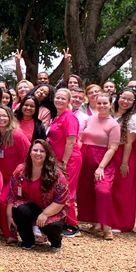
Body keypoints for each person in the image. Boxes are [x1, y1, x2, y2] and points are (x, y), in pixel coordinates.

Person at [6, 140, 68, 249]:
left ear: (47, 154)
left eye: (42, 151)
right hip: (32, 206)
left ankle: (56, 241)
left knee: (52, 226)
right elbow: (12, 194)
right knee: (18, 209)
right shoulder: (20, 170)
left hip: (53, 209)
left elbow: (61, 200)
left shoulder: (56, 173)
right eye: (35, 150)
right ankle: (28, 241)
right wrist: (9, 216)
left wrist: (45, 214)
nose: (38, 153)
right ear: (30, 152)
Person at [77, 92, 120, 240]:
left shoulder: (114, 124)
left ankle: (107, 227)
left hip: (103, 159)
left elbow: (113, 148)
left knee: (103, 190)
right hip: (86, 156)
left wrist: (101, 167)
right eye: (99, 103)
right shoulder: (89, 119)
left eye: (105, 103)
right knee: (86, 189)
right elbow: (82, 139)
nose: (101, 106)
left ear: (110, 104)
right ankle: (95, 222)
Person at [0, 106, 31, 242]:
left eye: (4, 116)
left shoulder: (17, 135)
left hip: (16, 177)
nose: (1, 118)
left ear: (10, 118)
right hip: (1, 176)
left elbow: (29, 156)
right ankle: (5, 231)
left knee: (3, 200)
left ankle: (11, 234)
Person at [47, 88, 83, 237]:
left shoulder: (69, 117)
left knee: (68, 191)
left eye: (63, 98)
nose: (59, 100)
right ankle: (61, 220)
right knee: (60, 190)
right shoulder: (57, 116)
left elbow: (71, 141)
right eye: (57, 97)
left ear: (68, 101)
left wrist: (64, 162)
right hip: (57, 159)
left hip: (69, 160)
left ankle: (72, 224)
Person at [110, 88, 136, 233]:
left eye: (129, 100)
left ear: (134, 102)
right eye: (123, 98)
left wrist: (124, 163)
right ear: (119, 97)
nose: (125, 101)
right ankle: (108, 219)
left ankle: (122, 223)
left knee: (123, 190)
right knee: (110, 188)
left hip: (124, 155)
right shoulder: (111, 112)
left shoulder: (133, 119)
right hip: (110, 153)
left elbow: (129, 143)